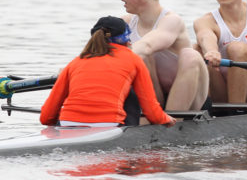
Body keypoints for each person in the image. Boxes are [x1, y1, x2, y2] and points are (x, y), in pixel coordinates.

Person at [106, 0, 209, 112]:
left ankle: (174, 122)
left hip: (191, 100)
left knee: (190, 55)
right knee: (142, 57)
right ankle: (152, 119)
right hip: (155, 97)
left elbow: (147, 45)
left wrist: (108, 61)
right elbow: (97, 50)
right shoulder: (125, 22)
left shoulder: (172, 21)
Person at [40, 16, 177, 128]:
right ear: (126, 38)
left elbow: (46, 117)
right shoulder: (133, 60)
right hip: (110, 125)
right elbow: (152, 113)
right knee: (130, 91)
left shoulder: (75, 63)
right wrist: (165, 119)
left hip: (67, 124)